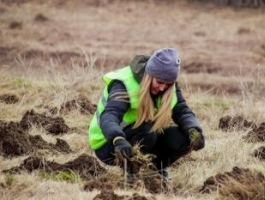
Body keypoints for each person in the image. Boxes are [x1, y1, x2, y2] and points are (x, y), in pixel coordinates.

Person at [88, 48, 205, 182]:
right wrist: (118, 139)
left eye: (168, 84)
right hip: (109, 143)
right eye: (159, 82)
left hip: (141, 134)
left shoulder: (168, 86)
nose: (162, 88)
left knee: (185, 137)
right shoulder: (124, 84)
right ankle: (131, 171)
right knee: (148, 127)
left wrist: (194, 130)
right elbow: (109, 115)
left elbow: (183, 111)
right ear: (149, 75)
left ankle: (156, 169)